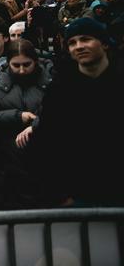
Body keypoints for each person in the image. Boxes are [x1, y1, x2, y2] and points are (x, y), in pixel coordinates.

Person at [29, 18, 124, 207]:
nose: (79, 46)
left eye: (86, 39)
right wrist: (58, 194)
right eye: (72, 42)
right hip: (79, 195)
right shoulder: (60, 91)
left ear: (104, 43)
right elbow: (46, 143)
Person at [0, 40, 51, 209]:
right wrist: (18, 116)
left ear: (35, 61)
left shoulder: (50, 81)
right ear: (8, 63)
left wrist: (35, 125)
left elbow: (60, 111)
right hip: (10, 159)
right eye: (16, 65)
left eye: (27, 64)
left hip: (46, 155)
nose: (22, 70)